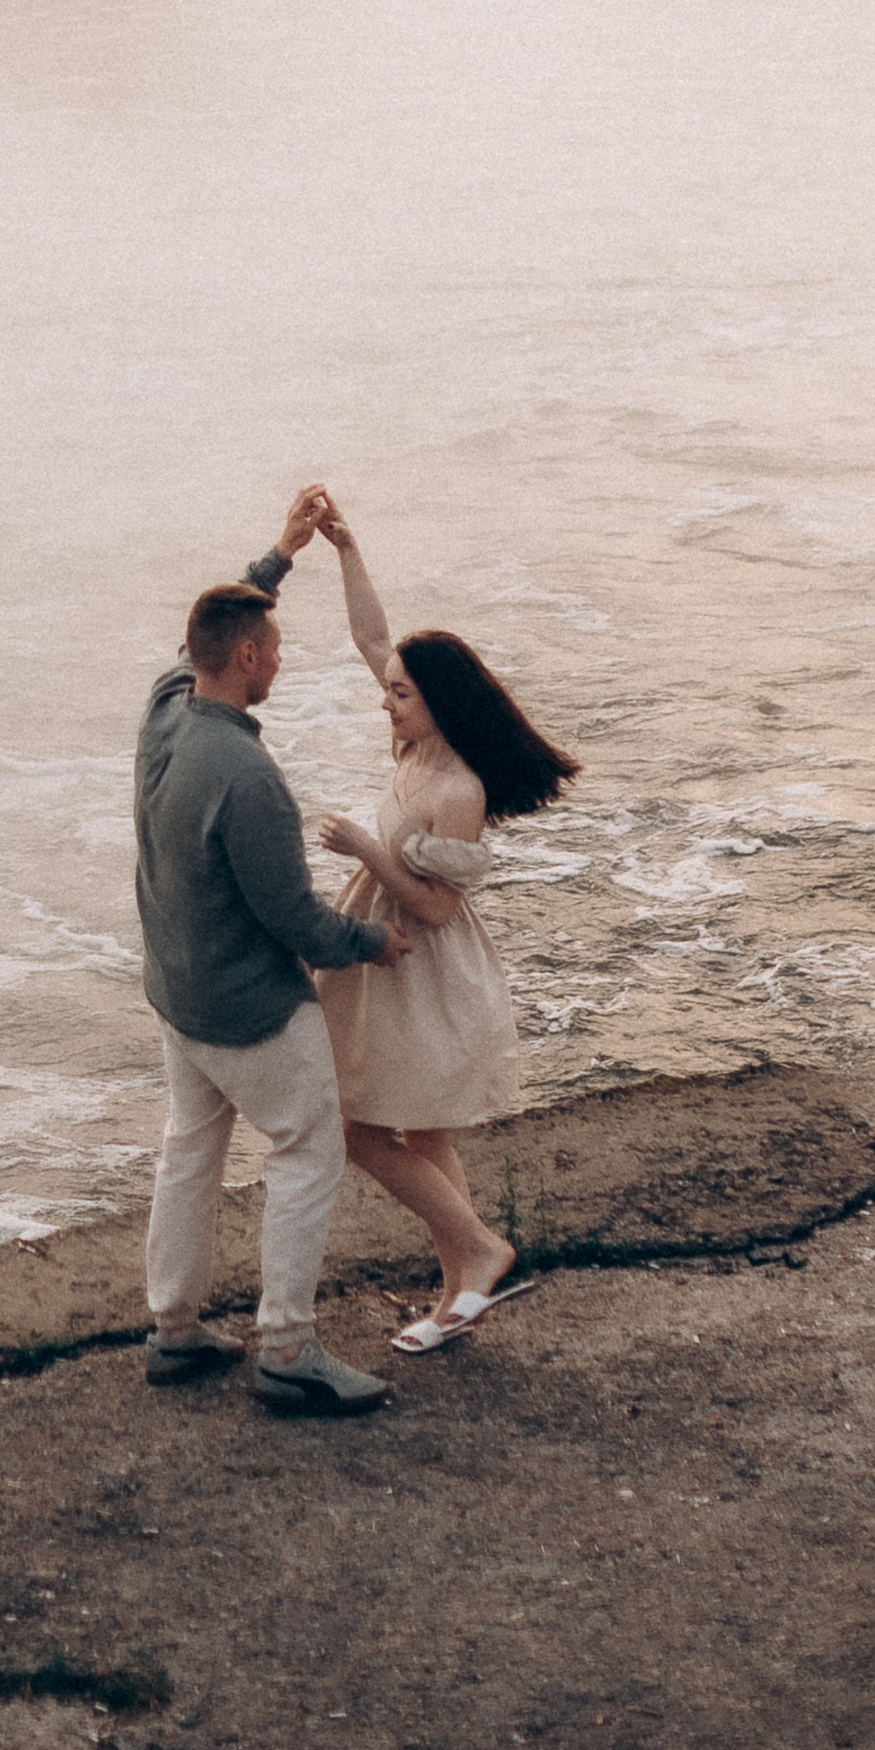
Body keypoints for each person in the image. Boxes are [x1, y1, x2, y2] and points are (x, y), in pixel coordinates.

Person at [134, 494, 411, 1417]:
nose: (281, 660)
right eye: (277, 649)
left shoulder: (164, 711)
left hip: (177, 992)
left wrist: (278, 559)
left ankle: (173, 1331)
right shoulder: (250, 778)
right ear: (247, 659)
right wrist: (377, 940)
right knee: (308, 1148)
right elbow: (296, 919)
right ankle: (287, 1350)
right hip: (248, 1009)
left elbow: (198, 641)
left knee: (191, 1147)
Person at [305, 487, 579, 1354]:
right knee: (424, 1134)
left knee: (359, 1131)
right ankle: (462, 1290)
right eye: (388, 692)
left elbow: (433, 903)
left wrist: (363, 848)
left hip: (424, 965)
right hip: (389, 961)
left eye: (400, 696)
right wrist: (345, 548)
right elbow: (373, 639)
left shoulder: (457, 788)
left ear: (439, 704)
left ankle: (481, 1249)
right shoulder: (414, 743)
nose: (385, 702)